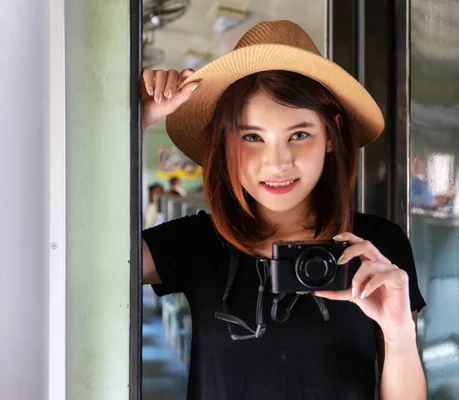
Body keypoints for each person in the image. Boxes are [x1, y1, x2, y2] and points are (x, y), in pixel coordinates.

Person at [141, 21, 427, 399]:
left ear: (331, 135)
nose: (278, 163)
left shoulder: (376, 246)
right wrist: (133, 124)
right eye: (252, 137)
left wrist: (399, 334)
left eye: (299, 135)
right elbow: (77, 255)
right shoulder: (198, 242)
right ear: (226, 142)